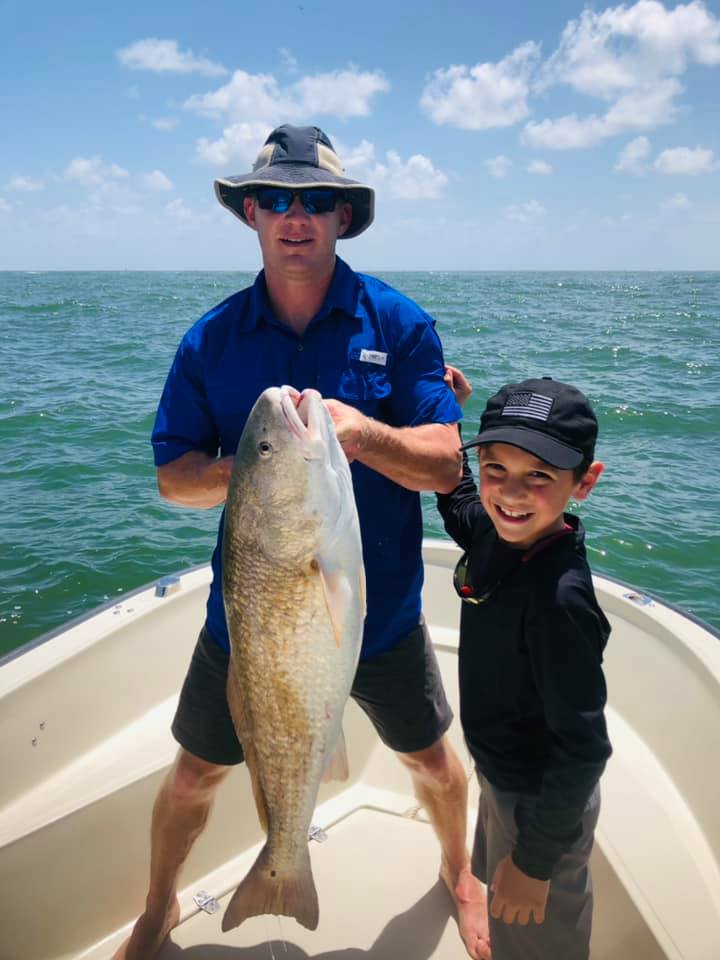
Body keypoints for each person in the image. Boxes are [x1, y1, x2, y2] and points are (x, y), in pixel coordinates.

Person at [115, 125, 491, 960]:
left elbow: (441, 461)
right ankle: (156, 907)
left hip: (381, 613)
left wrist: (364, 435)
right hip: (249, 618)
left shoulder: (398, 321)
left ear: (342, 217)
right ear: (251, 212)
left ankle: (462, 875)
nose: (296, 216)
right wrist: (259, 470)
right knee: (192, 775)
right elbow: (173, 477)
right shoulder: (209, 341)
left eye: (316, 200)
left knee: (435, 766)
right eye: (278, 199)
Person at [437, 370, 613, 960]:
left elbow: (584, 749)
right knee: (508, 906)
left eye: (538, 476)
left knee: (539, 930)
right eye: (497, 470)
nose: (510, 494)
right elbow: (460, 503)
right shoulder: (498, 531)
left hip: (544, 808)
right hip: (503, 774)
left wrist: (536, 866)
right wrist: (447, 411)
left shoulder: (561, 600)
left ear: (584, 482)